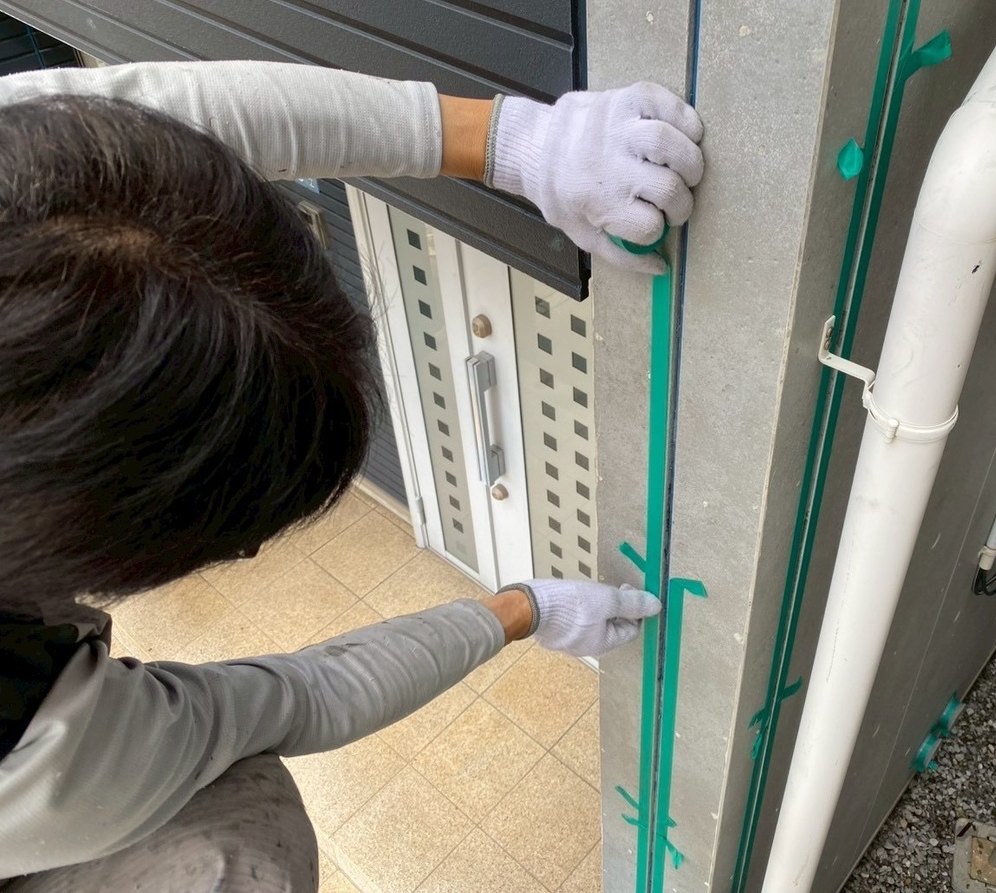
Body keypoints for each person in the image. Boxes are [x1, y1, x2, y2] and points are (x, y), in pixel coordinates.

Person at [0, 61, 705, 891]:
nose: (249, 553)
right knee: (233, 842)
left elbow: (155, 131)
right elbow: (302, 698)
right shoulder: (38, 752)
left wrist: (510, 141)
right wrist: (522, 610)